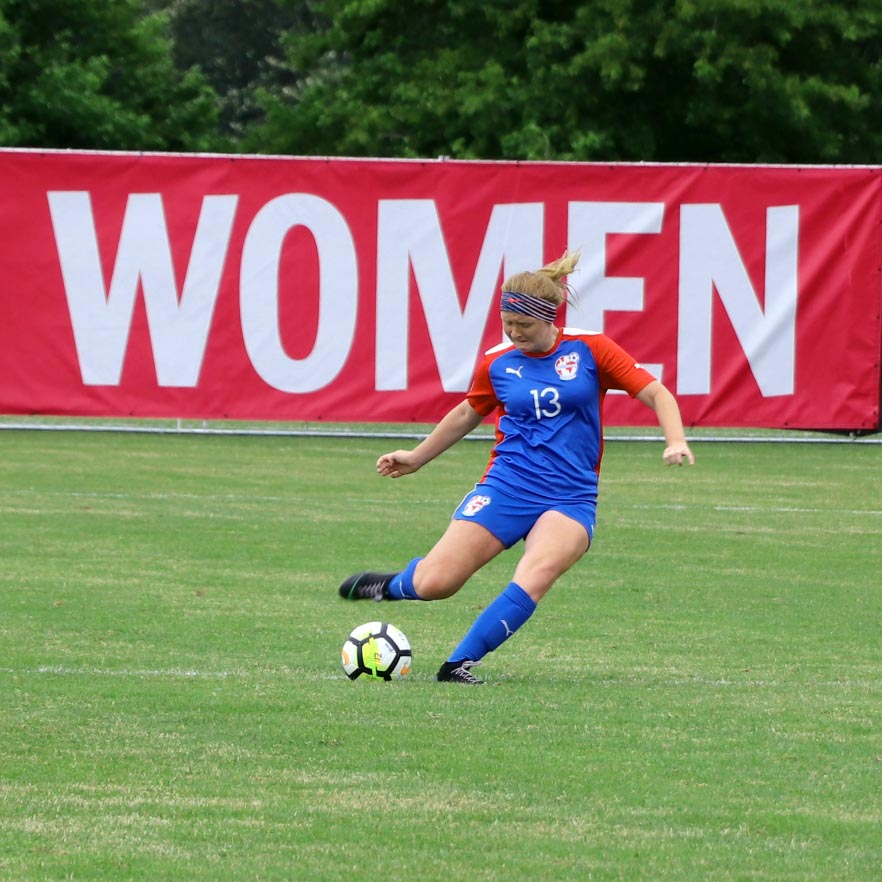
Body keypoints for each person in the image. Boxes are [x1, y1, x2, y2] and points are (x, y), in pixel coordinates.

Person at [339, 251, 694, 684]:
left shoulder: (591, 349)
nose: (514, 332)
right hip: (507, 486)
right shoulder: (498, 361)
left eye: (523, 325)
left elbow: (658, 393)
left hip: (571, 496)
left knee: (536, 575)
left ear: (549, 318)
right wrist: (416, 456)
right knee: (437, 584)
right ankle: (393, 585)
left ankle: (458, 664)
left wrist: (675, 440)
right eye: (507, 323)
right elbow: (469, 412)